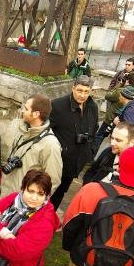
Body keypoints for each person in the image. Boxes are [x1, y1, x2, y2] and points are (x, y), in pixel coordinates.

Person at [0, 93, 63, 198]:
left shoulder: (50, 145)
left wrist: (33, 201)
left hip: (24, 201)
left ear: (36, 114)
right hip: (6, 194)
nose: (22, 111)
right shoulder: (20, 128)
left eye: (26, 109)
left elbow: (52, 181)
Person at [49, 75, 98, 210]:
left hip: (75, 163)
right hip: (57, 161)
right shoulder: (57, 105)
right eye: (79, 90)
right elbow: (45, 130)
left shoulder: (92, 107)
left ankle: (49, 216)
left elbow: (94, 129)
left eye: (86, 92)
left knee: (60, 193)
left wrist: (91, 149)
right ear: (73, 88)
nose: (82, 95)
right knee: (46, 191)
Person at [84, 122, 134, 198]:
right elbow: (91, 172)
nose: (112, 143)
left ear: (132, 142)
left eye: (118, 140)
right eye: (112, 138)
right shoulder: (108, 152)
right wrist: (87, 189)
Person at [94, 85, 134, 151]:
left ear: (124, 97)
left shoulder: (130, 110)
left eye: (120, 95)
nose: (119, 97)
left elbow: (130, 129)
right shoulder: (128, 107)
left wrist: (117, 124)